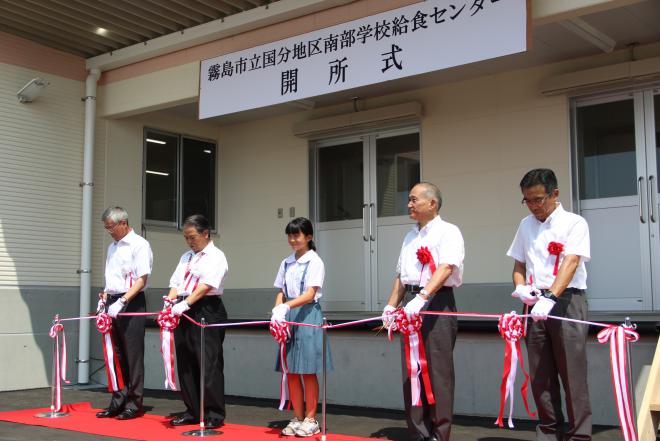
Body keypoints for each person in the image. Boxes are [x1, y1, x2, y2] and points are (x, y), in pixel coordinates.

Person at [507, 168, 592, 440]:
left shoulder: (574, 223)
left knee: (572, 373)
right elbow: (519, 263)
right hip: (534, 301)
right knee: (540, 373)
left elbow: (571, 262)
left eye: (538, 199)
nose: (534, 206)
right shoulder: (525, 225)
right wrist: (520, 288)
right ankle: (548, 431)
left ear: (555, 194)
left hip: (566, 300)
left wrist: (552, 296)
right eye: (527, 200)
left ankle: (579, 435)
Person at [382, 182, 464, 441]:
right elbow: (401, 275)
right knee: (412, 370)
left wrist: (423, 297)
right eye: (409, 199)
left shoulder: (449, 232)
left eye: (413, 199)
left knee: (437, 370)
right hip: (411, 302)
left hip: (436, 302)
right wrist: (391, 305)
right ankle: (418, 432)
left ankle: (439, 434)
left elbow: (446, 268)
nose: (409, 204)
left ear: (432, 203)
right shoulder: (409, 236)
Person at [271, 217, 332, 438]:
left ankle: (311, 418)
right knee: (292, 371)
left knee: (307, 369)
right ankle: (297, 417)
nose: (293, 239)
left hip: (307, 315)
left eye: (297, 235)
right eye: (290, 235)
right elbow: (280, 290)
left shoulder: (315, 261)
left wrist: (285, 307)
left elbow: (309, 294)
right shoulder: (286, 262)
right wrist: (277, 310)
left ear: (309, 237)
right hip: (287, 315)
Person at [166, 214, 229, 430]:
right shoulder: (186, 257)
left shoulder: (216, 256)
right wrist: (171, 301)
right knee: (186, 361)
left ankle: (214, 412)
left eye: (193, 237)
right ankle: (192, 410)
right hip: (182, 307)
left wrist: (187, 303)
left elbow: (207, 285)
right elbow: (176, 282)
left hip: (206, 307)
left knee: (208, 362)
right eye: (186, 238)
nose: (189, 242)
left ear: (205, 233)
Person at [96, 207, 153, 420]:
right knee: (115, 354)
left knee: (133, 354)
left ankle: (133, 402)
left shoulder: (139, 245)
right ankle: (117, 400)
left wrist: (122, 300)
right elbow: (112, 277)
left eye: (111, 227)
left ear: (123, 223)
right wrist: (104, 296)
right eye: (106, 228)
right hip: (112, 299)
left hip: (130, 300)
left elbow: (141, 279)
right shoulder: (113, 246)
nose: (109, 231)